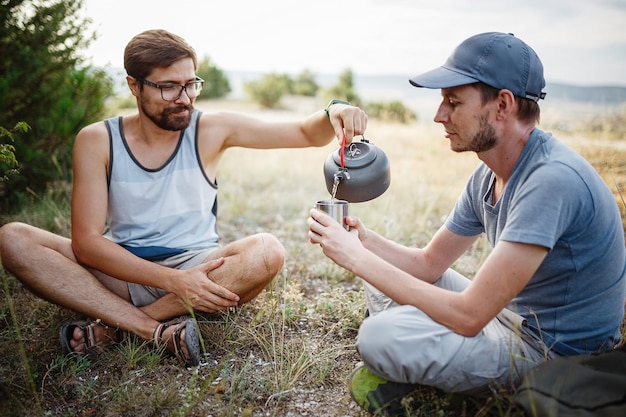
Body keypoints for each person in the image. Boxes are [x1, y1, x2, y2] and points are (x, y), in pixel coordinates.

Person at [0, 29, 367, 367]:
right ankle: (152, 328)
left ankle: (118, 328)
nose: (184, 98)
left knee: (268, 251)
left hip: (201, 267)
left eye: (192, 84)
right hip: (121, 270)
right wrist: (174, 282)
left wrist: (334, 109)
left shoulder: (211, 129)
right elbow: (87, 244)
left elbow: (305, 133)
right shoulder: (98, 139)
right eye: (169, 87)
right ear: (134, 85)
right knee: (13, 238)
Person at [307, 32, 626, 415]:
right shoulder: (489, 173)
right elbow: (428, 264)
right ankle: (426, 354)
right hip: (507, 316)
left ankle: (427, 368)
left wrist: (355, 258)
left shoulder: (550, 180)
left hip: (551, 353)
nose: (439, 115)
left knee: (377, 337)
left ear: (502, 105)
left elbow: (469, 315)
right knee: (383, 273)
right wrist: (363, 240)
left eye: (453, 102)